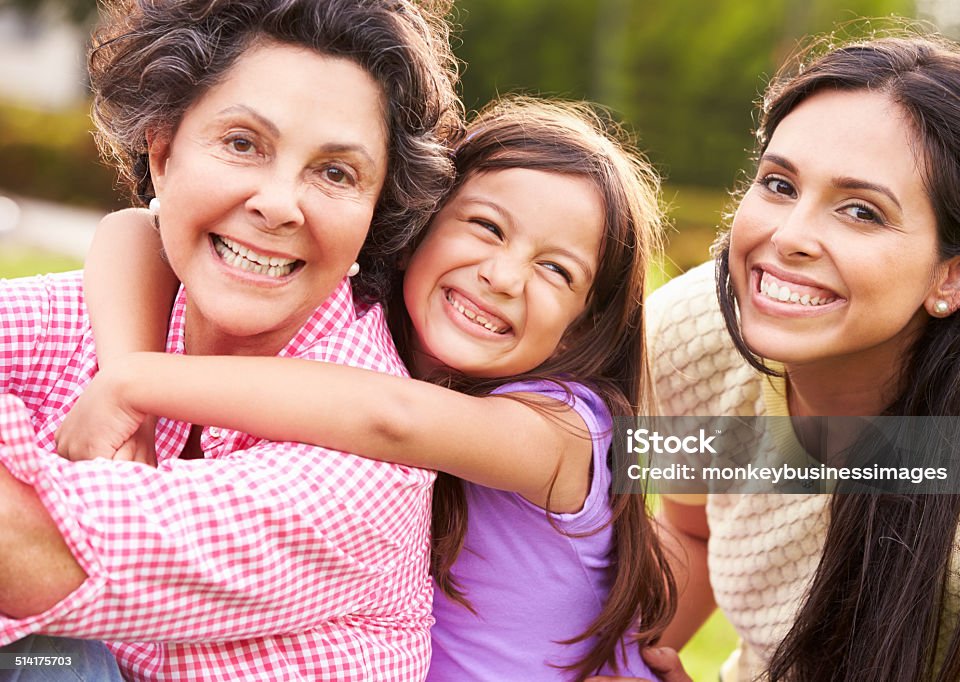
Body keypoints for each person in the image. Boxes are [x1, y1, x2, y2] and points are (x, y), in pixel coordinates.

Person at [55, 97, 678, 681]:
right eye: (487, 227)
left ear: (579, 329)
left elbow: (395, 419)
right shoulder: (361, 329)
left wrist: (139, 384)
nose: (505, 276)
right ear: (418, 227)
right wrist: (125, 378)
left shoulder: (565, 431)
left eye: (556, 270)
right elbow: (138, 230)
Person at [0, 0, 462, 679]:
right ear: (162, 152)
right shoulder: (100, 310)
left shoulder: (370, 465)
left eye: (336, 173)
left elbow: (31, 553)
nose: (278, 204)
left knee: (48, 658)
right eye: (243, 143)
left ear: (375, 214)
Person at [644, 33, 960, 681]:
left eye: (860, 211)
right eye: (779, 183)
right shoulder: (694, 335)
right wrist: (624, 662)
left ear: (954, 275)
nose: (787, 237)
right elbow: (693, 529)